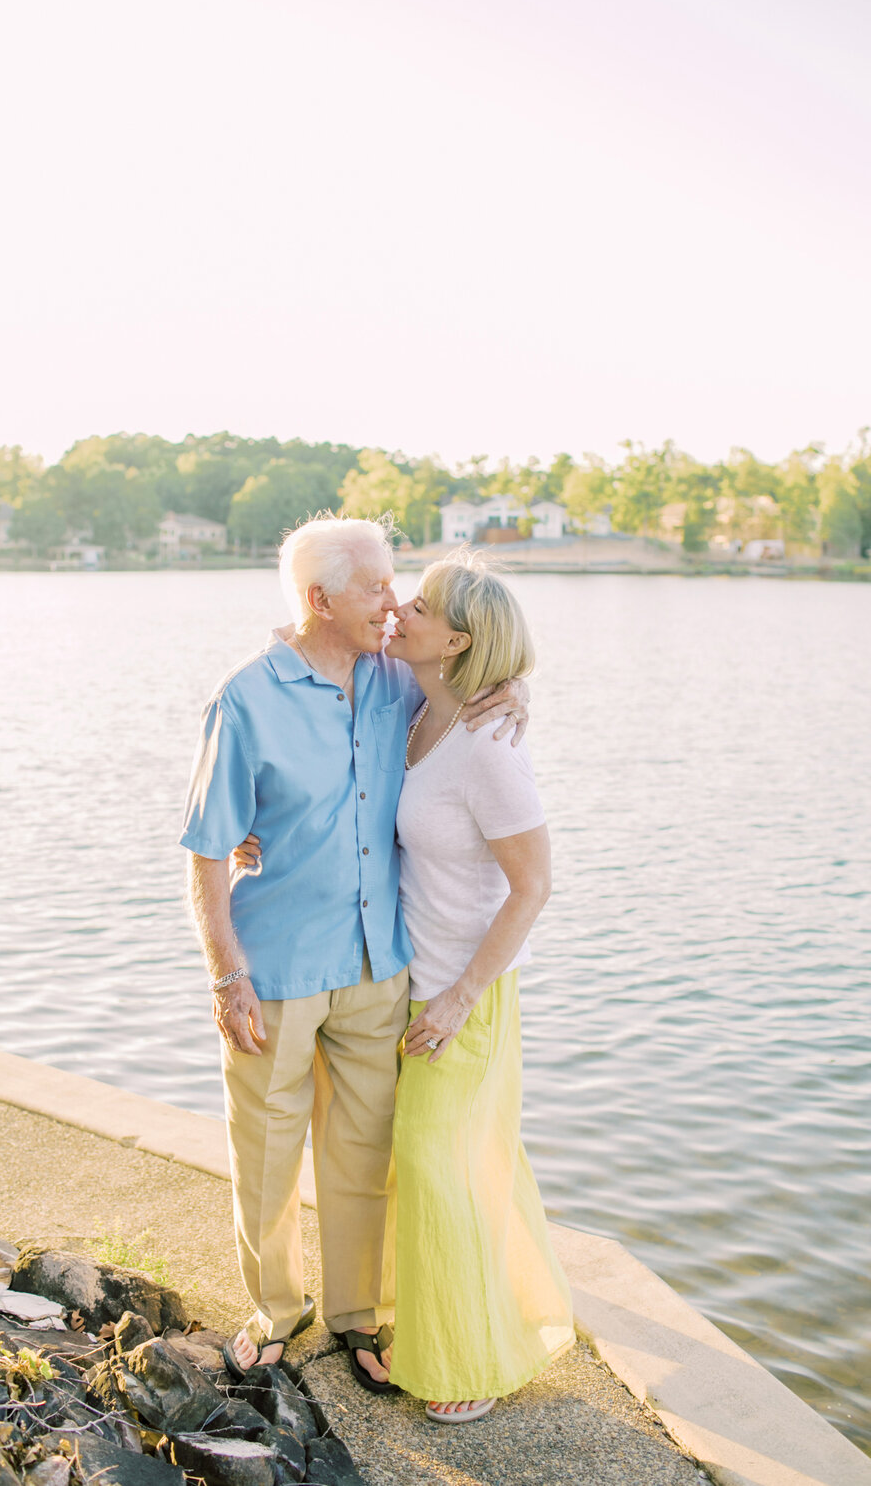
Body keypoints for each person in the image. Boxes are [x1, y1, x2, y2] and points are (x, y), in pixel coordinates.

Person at [180, 516, 528, 1390]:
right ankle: (276, 1310)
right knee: (265, 1152)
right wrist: (227, 975)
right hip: (278, 972)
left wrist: (517, 689)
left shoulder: (393, 682)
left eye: (395, 584)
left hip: (381, 968)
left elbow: (472, 692)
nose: (394, 601)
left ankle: (353, 1314)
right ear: (318, 599)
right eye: (377, 587)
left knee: (364, 1156)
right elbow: (208, 852)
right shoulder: (247, 699)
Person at [383, 553, 574, 1424]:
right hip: (414, 984)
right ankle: (444, 1330)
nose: (398, 608)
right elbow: (305, 643)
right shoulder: (418, 705)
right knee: (454, 1166)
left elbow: (533, 883)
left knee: (438, 1168)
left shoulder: (490, 745)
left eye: (417, 604)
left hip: (466, 998)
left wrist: (460, 998)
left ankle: (470, 1361)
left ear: (456, 639)